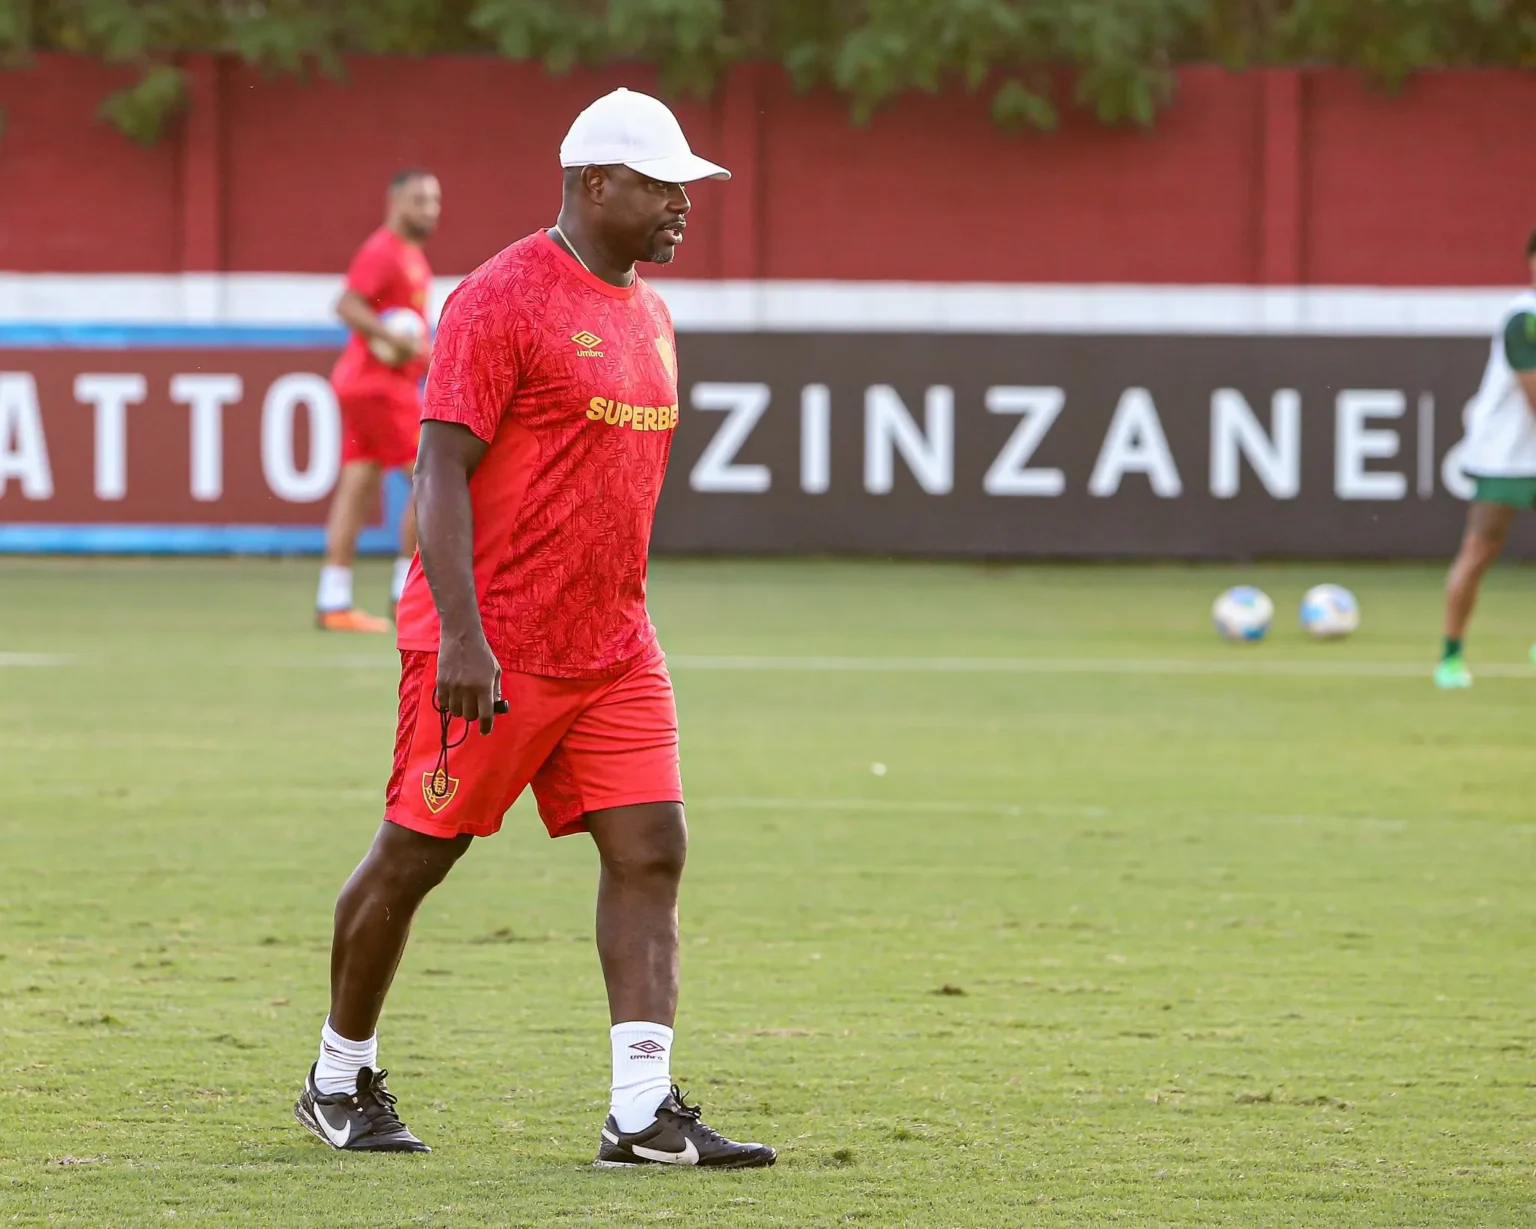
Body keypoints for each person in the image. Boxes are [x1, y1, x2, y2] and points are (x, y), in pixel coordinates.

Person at [293, 89, 776, 1169]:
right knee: (417, 855)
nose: (681, 208)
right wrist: (461, 635)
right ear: (594, 182)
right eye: (662, 187)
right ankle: (336, 1076)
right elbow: (440, 474)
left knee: (652, 849)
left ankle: (642, 1110)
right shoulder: (500, 298)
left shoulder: (648, 310)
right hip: (490, 646)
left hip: (614, 645)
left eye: (686, 191)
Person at [315, 168, 442, 632]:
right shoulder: (383, 251)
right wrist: (397, 340)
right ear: (394, 202)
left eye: (434, 200)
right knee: (430, 477)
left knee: (358, 484)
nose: (429, 209)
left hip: (365, 384)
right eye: (419, 199)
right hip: (380, 386)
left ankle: (334, 600)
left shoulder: (411, 256)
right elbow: (347, 305)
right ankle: (406, 595)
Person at [1436, 227, 1536, 688]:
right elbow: (1533, 392)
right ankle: (1451, 657)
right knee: (1479, 551)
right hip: (1506, 456)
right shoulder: (1525, 317)